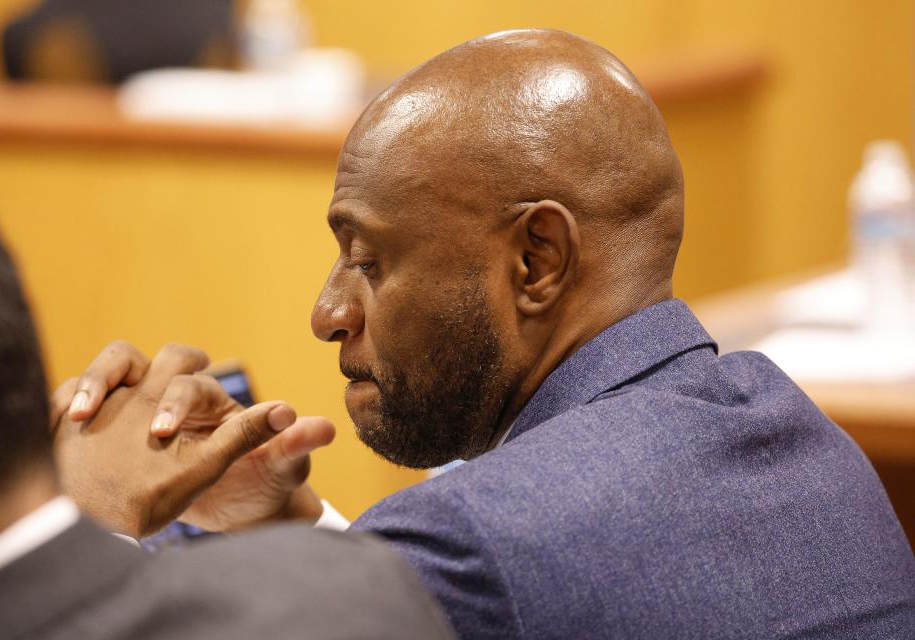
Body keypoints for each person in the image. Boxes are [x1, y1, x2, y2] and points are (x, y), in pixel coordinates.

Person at [55, 29, 915, 638]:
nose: (328, 313)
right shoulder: (802, 434)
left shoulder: (477, 543)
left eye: (368, 259)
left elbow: (489, 569)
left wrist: (85, 519)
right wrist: (303, 537)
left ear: (538, 258)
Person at [0, 179, 455, 640]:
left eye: (367, 260)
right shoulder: (358, 589)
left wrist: (290, 528)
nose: (325, 316)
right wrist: (85, 527)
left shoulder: (346, 587)